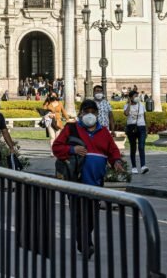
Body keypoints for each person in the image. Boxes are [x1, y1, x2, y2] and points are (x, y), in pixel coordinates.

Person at [51, 99, 124, 258]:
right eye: (86, 111)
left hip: (95, 183)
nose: (90, 114)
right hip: (76, 181)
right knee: (78, 214)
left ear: (97, 114)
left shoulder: (103, 131)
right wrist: (72, 149)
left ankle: (83, 240)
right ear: (80, 113)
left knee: (91, 216)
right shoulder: (71, 129)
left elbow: (113, 150)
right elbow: (56, 148)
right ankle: (85, 244)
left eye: (93, 111)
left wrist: (116, 161)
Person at [123, 91, 149, 174]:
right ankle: (134, 167)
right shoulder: (126, 106)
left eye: (137, 96)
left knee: (141, 147)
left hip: (141, 127)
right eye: (135, 96)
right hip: (131, 127)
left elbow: (145, 116)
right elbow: (126, 114)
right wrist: (129, 104)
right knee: (133, 147)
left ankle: (143, 166)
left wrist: (146, 128)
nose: (137, 97)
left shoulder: (141, 105)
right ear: (130, 97)